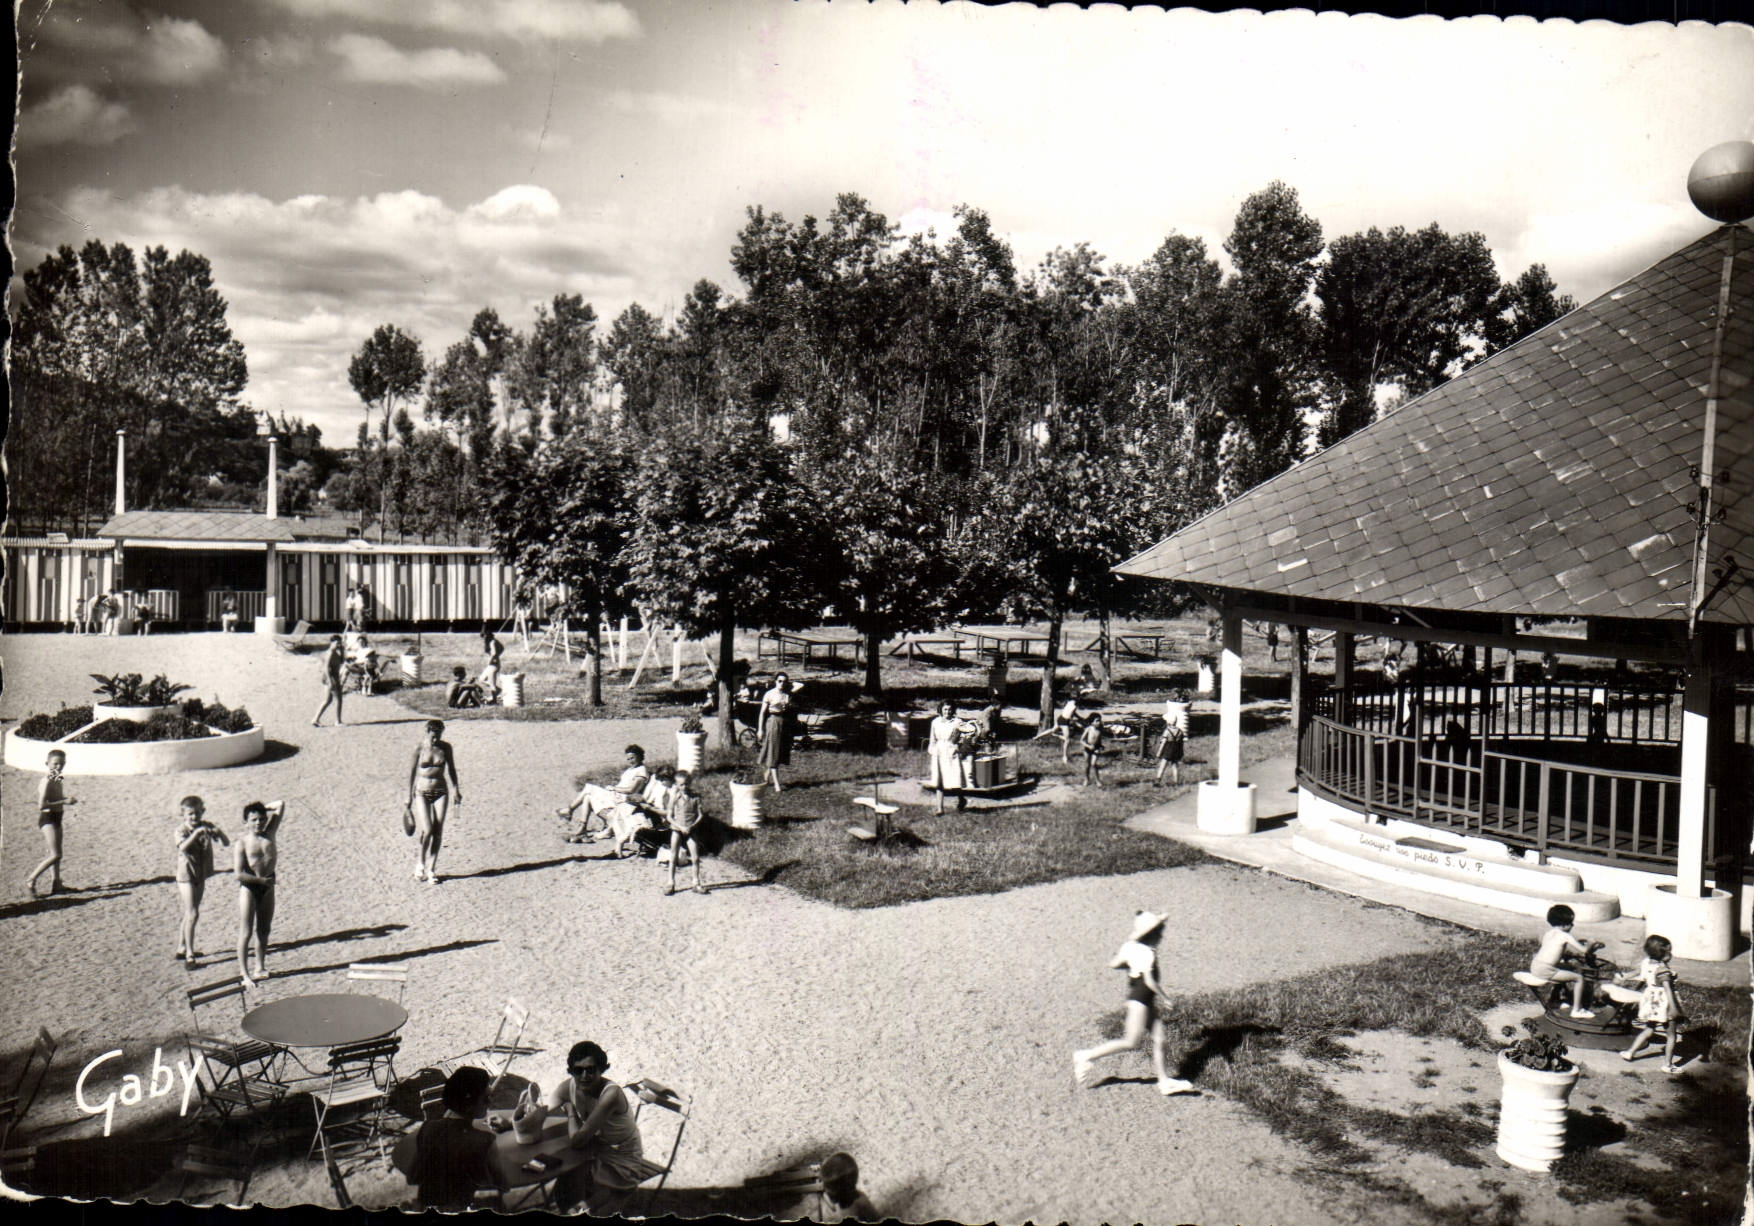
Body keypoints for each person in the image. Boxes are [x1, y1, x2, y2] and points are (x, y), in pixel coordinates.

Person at [1073, 910, 1194, 1096]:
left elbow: (1114, 964)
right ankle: (1086, 1056)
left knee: (1160, 1039)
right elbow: (1150, 982)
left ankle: (1164, 1082)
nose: (1161, 936)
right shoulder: (1148, 954)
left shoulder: (1130, 947)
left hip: (1145, 1000)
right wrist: (1166, 997)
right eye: (1159, 932)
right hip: (1140, 1000)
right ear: (1151, 934)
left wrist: (1130, 965)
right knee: (1130, 1041)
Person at [544, 1041, 665, 1213]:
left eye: (591, 1069)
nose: (584, 1075)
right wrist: (510, 1122)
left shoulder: (611, 1094)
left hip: (622, 1156)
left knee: (587, 1201)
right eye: (578, 1070)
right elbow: (541, 1111)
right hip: (595, 1147)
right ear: (571, 1071)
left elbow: (578, 1141)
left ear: (601, 1069)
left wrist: (570, 1110)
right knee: (565, 1174)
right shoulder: (569, 1086)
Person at [405, 1065, 505, 1210]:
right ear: (469, 1106)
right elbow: (503, 1184)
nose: (490, 1102)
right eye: (486, 1098)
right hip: (462, 1207)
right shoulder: (484, 1140)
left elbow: (412, 1177)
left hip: (430, 1206)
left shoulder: (427, 1128)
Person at [234, 800, 286, 988]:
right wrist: (260, 881)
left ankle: (260, 967)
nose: (259, 823)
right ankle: (244, 973)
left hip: (268, 887)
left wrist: (266, 808)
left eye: (262, 819)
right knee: (246, 932)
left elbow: (281, 804)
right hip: (250, 888)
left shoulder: (270, 834)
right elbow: (238, 874)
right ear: (245, 822)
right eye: (254, 820)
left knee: (264, 930)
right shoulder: (242, 843)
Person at [173, 796, 229, 967]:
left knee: (191, 912)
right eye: (190, 814)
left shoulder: (207, 825)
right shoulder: (181, 830)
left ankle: (182, 947)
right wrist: (196, 833)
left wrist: (219, 833)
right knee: (192, 913)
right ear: (183, 814)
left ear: (202, 811)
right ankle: (190, 955)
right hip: (186, 875)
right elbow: (182, 847)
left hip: (200, 873)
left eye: (197, 813)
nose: (194, 817)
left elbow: (226, 843)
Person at [1616, 935, 1685, 1072]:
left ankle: (1630, 1052)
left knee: (1649, 1029)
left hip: (1652, 1002)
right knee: (1671, 1035)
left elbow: (1639, 973)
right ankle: (1668, 1065)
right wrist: (1674, 1008)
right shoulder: (1663, 971)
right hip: (1665, 1004)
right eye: (1669, 952)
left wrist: (1625, 976)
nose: (1671, 955)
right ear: (1664, 955)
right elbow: (1668, 990)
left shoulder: (1647, 962)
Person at [557, 745, 650, 843]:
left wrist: (614, 788)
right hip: (616, 795)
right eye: (628, 759)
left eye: (633, 758)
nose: (630, 761)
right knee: (588, 797)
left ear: (639, 756)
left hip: (622, 798)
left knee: (589, 787)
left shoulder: (641, 771)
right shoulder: (631, 769)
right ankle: (581, 829)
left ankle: (569, 810)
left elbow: (632, 790)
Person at [408, 720, 462, 884]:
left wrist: (456, 789)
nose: (435, 739)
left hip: (440, 791)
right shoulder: (420, 748)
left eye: (438, 735)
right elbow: (411, 773)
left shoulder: (446, 748)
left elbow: (451, 769)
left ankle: (431, 869)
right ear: (427, 732)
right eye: (433, 736)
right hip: (422, 791)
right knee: (428, 829)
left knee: (438, 831)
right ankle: (420, 863)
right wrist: (408, 796)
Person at [1528, 904, 1603, 1019]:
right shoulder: (1565, 936)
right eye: (1571, 923)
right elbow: (1584, 950)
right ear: (1565, 924)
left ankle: (1554, 999)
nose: (1572, 925)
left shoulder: (1549, 933)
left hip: (1535, 966)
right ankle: (1577, 1010)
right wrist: (1591, 944)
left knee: (1566, 968)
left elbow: (1549, 952)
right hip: (1546, 970)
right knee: (1579, 978)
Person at [26, 749, 77, 896]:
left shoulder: (57, 778)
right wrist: (65, 801)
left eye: (62, 764)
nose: (59, 767)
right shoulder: (46, 780)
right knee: (56, 855)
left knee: (56, 852)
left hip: (57, 817)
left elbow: (56, 798)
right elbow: (41, 805)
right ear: (47, 763)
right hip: (48, 819)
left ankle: (57, 884)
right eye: (55, 763)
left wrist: (65, 800)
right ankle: (31, 879)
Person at [664, 771, 707, 897]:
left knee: (695, 857)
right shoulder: (674, 798)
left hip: (691, 830)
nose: (685, 787)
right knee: (673, 856)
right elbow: (669, 817)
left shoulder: (696, 797)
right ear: (677, 785)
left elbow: (700, 815)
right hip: (677, 830)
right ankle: (670, 882)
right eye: (681, 785)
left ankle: (696, 882)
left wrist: (692, 826)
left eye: (687, 784)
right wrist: (680, 827)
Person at [927, 700, 973, 815]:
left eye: (950, 709)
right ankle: (940, 809)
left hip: (951, 752)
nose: (947, 712)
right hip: (938, 752)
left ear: (953, 710)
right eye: (945, 709)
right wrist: (932, 750)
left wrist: (959, 745)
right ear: (941, 710)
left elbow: (970, 733)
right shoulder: (935, 722)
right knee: (939, 781)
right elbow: (932, 739)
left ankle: (962, 799)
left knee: (954, 780)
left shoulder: (957, 722)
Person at [810, 1152, 880, 1223]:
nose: (825, 1190)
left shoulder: (860, 1202)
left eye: (832, 1195)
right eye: (825, 1186)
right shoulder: (836, 1199)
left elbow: (876, 1220)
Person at [758, 673, 795, 792]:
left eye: (784, 681)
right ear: (775, 681)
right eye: (779, 681)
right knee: (773, 751)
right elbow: (762, 713)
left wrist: (788, 707)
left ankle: (766, 776)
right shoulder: (769, 694)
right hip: (772, 722)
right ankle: (777, 784)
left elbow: (791, 710)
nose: (782, 683)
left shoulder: (787, 695)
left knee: (779, 751)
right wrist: (760, 729)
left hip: (784, 722)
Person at [1154, 691, 1191, 787]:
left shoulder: (1167, 731)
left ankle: (1158, 780)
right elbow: (1181, 743)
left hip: (1168, 750)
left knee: (1163, 764)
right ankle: (1176, 781)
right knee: (1175, 765)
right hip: (1177, 750)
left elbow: (1163, 743)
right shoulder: (1180, 731)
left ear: (1168, 723)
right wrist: (1181, 752)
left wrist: (1158, 752)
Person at [312, 635, 347, 727]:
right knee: (339, 699)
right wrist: (330, 681)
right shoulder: (330, 653)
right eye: (336, 643)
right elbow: (326, 667)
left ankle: (316, 719)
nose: (338, 645)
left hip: (332, 677)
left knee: (327, 700)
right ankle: (338, 721)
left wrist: (342, 650)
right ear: (332, 643)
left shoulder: (336, 652)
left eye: (339, 643)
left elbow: (342, 661)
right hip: (331, 677)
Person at [1079, 712, 1106, 788]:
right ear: (1092, 722)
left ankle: (1098, 780)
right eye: (1097, 721)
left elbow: (1099, 739)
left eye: (1100, 720)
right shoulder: (1088, 729)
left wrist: (1101, 746)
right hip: (1087, 748)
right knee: (1087, 765)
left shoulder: (1100, 729)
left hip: (1096, 748)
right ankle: (1086, 779)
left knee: (1093, 764)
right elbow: (1081, 740)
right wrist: (1088, 746)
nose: (1099, 722)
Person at [479, 629, 505, 705]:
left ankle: (494, 700)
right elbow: (502, 648)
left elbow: (494, 653)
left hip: (493, 664)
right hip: (492, 664)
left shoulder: (492, 642)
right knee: (481, 679)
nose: (483, 638)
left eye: (484, 636)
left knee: (492, 683)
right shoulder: (491, 641)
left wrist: (490, 660)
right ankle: (498, 690)